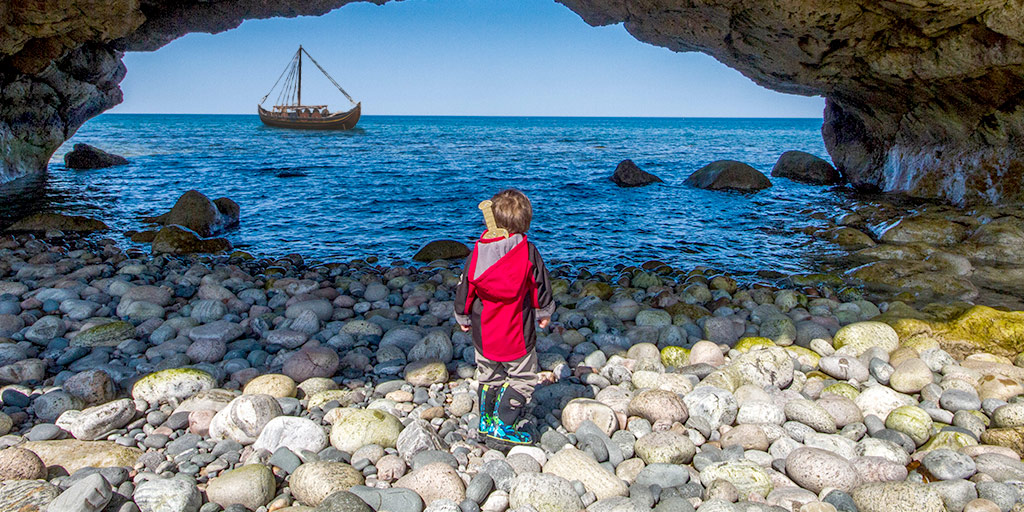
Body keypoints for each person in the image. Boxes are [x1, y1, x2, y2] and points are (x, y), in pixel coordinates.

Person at [454, 189, 554, 445]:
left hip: (484, 333)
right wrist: (543, 312)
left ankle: (485, 422)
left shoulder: (478, 252)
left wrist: (463, 316)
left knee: (489, 376)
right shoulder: (528, 252)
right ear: (525, 224)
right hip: (516, 333)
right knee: (523, 378)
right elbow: (539, 285)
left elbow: (465, 287)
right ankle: (503, 424)